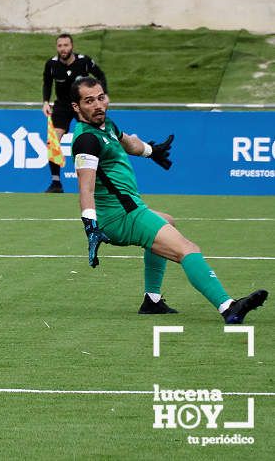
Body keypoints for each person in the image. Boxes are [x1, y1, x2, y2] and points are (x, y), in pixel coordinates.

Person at [70, 76, 267, 323]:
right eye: (89, 101)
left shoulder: (105, 125)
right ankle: (229, 307)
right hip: (122, 216)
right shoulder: (86, 140)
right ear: (77, 107)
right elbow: (85, 188)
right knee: (188, 249)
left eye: (101, 97)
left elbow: (129, 143)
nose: (98, 105)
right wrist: (90, 226)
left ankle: (152, 301)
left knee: (167, 221)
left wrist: (152, 151)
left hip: (129, 210)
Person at [42, 33, 107, 193]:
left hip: (82, 105)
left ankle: (101, 179)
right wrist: (45, 102)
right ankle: (56, 182)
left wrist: (103, 96)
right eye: (60, 46)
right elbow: (47, 84)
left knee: (93, 138)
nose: (63, 49)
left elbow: (101, 76)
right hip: (62, 106)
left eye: (66, 45)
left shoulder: (84, 61)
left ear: (72, 46)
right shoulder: (51, 64)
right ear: (57, 47)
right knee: (53, 142)